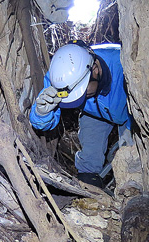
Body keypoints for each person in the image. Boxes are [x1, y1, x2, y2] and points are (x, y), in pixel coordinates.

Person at [29, 41, 132, 188]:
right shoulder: (60, 76)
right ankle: (89, 182)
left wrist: (131, 133)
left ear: (95, 69)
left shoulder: (125, 64)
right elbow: (44, 121)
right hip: (93, 112)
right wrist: (41, 113)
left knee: (132, 158)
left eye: (82, 93)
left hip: (130, 111)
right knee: (89, 158)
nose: (80, 99)